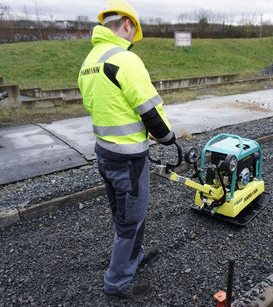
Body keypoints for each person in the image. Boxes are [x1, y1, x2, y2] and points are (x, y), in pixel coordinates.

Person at [77, 0, 176, 299]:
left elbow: (99, 106)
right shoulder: (125, 60)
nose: (134, 39)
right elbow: (149, 110)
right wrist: (168, 137)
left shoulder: (89, 62)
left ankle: (134, 256)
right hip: (128, 160)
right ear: (128, 25)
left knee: (124, 214)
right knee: (129, 220)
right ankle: (118, 282)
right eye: (134, 32)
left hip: (105, 154)